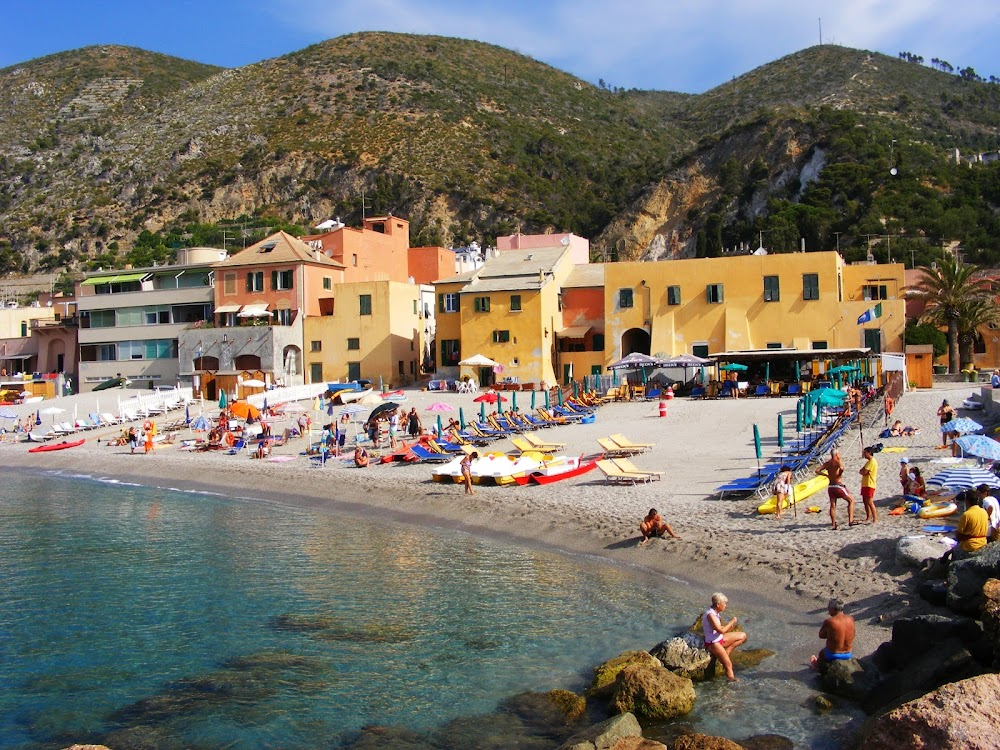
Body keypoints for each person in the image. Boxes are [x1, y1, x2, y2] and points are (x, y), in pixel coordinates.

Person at [702, 592, 747, 681]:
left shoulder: (716, 613)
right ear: (718, 604)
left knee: (742, 636)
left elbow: (719, 629)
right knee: (728, 665)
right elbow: (720, 630)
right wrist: (732, 622)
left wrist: (728, 628)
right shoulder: (710, 615)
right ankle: (731, 682)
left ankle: (727, 651)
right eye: (724, 603)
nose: (726, 606)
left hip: (719, 638)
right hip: (713, 643)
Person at [810, 598, 856, 671]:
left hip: (833, 655)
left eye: (828, 608)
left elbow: (821, 635)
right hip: (848, 654)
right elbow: (853, 634)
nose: (828, 610)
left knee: (821, 653)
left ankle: (816, 666)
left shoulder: (829, 621)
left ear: (832, 609)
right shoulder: (851, 619)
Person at [817, 448, 857, 529]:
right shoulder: (837, 461)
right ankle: (850, 520)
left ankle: (833, 524)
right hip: (838, 485)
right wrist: (839, 474)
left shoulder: (827, 463)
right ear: (836, 454)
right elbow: (842, 468)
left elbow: (817, 470)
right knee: (851, 500)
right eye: (839, 453)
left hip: (830, 486)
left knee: (833, 505)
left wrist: (826, 475)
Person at [859, 446, 878, 524]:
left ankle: (875, 518)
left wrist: (863, 471)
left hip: (870, 484)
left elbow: (863, 472)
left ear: (869, 452)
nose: (864, 454)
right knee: (865, 501)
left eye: (865, 452)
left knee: (869, 501)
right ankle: (868, 517)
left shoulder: (872, 461)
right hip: (865, 484)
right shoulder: (868, 462)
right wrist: (862, 471)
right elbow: (861, 471)